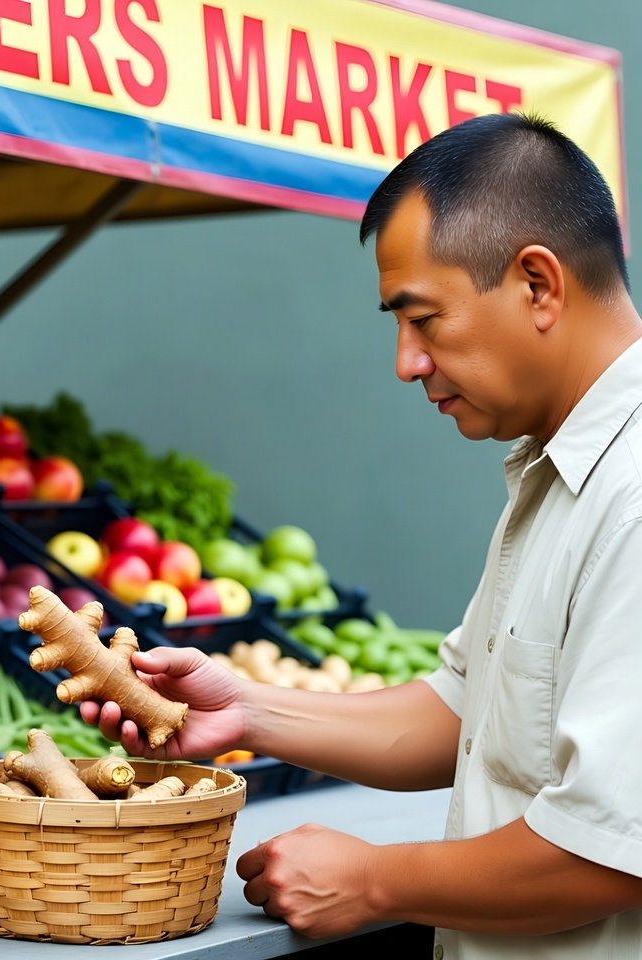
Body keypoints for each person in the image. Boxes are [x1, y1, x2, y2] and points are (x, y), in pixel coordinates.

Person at [81, 112, 642, 958]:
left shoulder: (631, 492)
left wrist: (374, 880)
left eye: (422, 318)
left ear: (538, 285)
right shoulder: (557, 473)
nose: (405, 362)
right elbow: (462, 713)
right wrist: (247, 710)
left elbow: (610, 856)